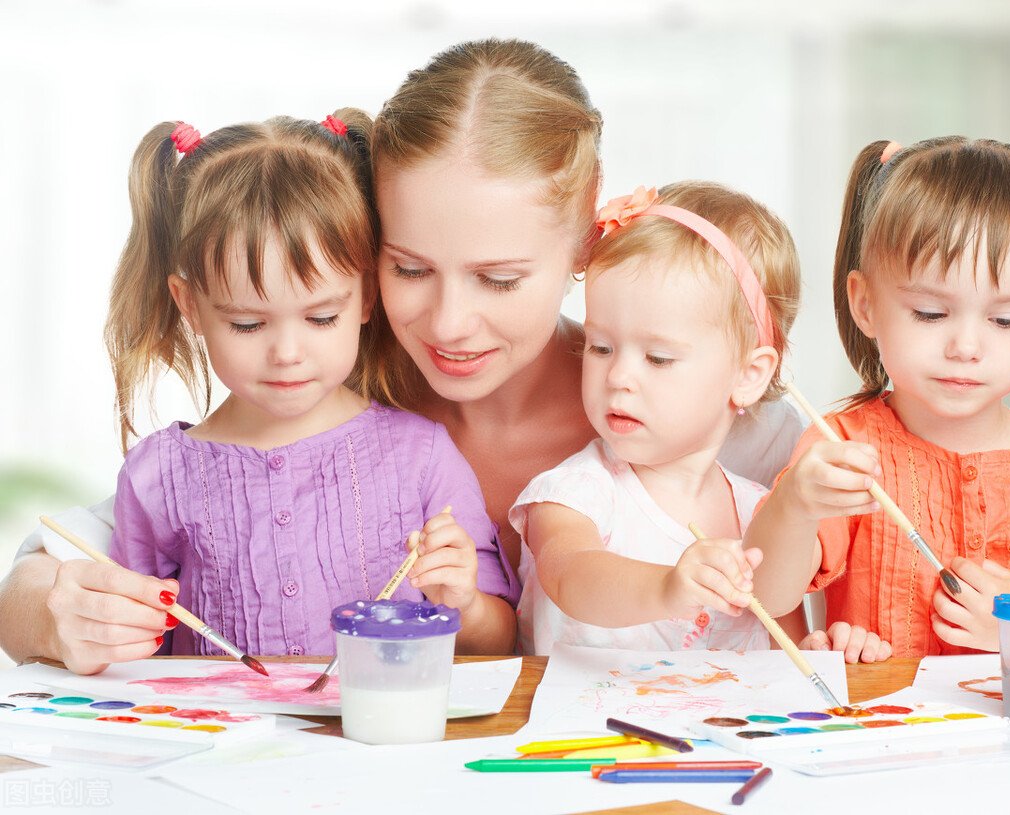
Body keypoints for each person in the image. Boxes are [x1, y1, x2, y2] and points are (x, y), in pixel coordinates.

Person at [1, 39, 830, 671]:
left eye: (500, 278)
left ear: (582, 230)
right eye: (408, 269)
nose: (450, 323)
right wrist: (49, 610)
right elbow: (59, 560)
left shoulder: (711, 417)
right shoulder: (323, 388)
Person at [42, 110, 517, 672]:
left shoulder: (423, 457)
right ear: (189, 303)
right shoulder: (157, 477)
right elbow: (134, 664)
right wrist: (108, 631)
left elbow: (499, 644)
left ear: (366, 296)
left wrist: (461, 601)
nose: (287, 353)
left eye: (320, 318)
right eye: (248, 324)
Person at [746, 137, 1010, 659]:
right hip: (889, 738)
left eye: (1004, 320)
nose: (967, 347)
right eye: (930, 313)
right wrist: (795, 504)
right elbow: (768, 598)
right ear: (865, 304)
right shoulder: (841, 450)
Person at [511, 182, 800, 654]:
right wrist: (668, 588)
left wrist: (835, 648)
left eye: (659, 358)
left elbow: (791, 648)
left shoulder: (760, 516)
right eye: (600, 347)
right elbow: (571, 576)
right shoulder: (574, 494)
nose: (619, 376)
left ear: (748, 376)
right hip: (585, 727)